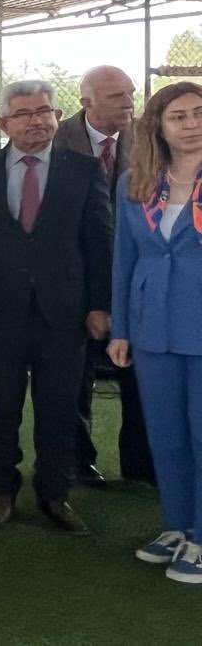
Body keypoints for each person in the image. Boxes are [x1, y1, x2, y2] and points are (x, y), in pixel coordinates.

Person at [0, 80, 113, 534]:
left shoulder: (83, 170)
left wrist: (100, 304)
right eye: (23, 113)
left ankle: (55, 493)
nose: (36, 121)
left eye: (44, 111)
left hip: (65, 314)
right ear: (4, 123)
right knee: (0, 406)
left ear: (57, 116)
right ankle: (1, 489)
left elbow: (100, 242)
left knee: (59, 408)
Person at [108, 81, 202, 583]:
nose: (191, 124)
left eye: (199, 113)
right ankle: (178, 525)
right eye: (178, 117)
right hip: (151, 331)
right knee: (165, 436)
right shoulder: (136, 182)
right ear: (159, 128)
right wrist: (121, 329)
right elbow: (124, 261)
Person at [57, 65, 150, 487]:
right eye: (116, 96)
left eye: (130, 93)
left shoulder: (150, 137)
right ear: (86, 102)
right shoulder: (56, 139)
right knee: (75, 373)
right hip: (74, 275)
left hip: (138, 275)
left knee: (139, 371)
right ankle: (79, 461)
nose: (128, 102)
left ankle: (141, 465)